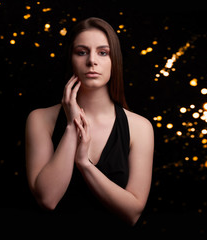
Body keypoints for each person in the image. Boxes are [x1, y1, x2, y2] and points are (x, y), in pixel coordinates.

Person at [25, 17, 154, 234]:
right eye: (82, 52)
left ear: (115, 60)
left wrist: (84, 164)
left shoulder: (140, 127)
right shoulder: (39, 119)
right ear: (71, 59)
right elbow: (48, 199)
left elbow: (133, 213)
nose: (92, 61)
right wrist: (71, 127)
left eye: (103, 53)